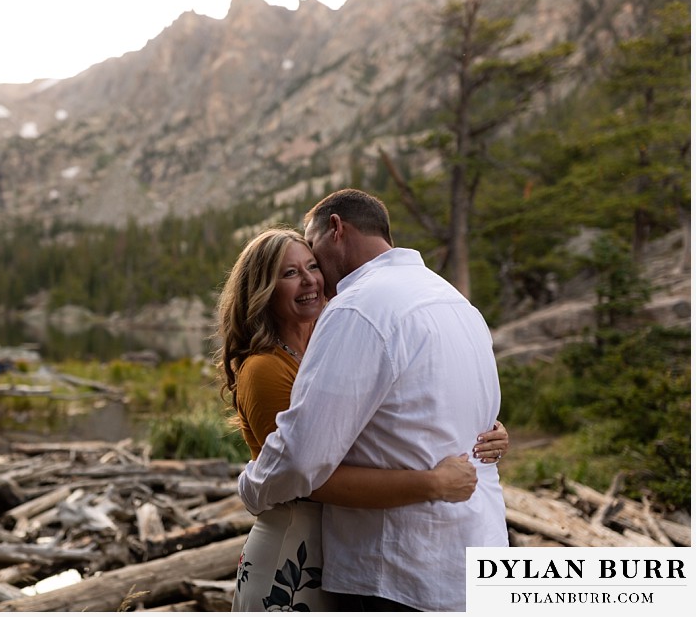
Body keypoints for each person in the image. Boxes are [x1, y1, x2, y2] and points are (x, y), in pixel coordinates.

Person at [218, 226, 509, 612]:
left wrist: (483, 430)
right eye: (289, 273)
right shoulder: (265, 369)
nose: (310, 280)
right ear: (262, 290)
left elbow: (392, 418)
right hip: (292, 551)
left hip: (332, 552)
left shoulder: (334, 344)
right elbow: (303, 475)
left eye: (312, 266)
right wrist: (432, 483)